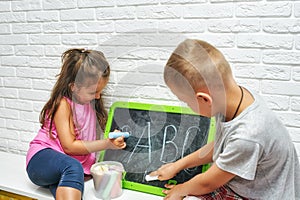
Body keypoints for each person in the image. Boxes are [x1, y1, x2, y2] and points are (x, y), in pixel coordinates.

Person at [150, 39, 300, 200]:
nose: (187, 106)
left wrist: (181, 189)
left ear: (205, 99)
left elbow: (207, 184)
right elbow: (222, 145)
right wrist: (178, 165)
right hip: (243, 185)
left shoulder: (248, 135)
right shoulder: (233, 99)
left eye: (186, 102)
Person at [26, 48, 126, 200]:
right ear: (74, 87)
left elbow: (88, 141)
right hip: (40, 160)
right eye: (93, 92)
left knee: (71, 183)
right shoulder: (63, 104)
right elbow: (69, 146)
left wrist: (113, 139)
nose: (98, 96)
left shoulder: (90, 106)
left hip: (61, 169)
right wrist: (106, 144)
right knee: (73, 167)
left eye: (100, 91)